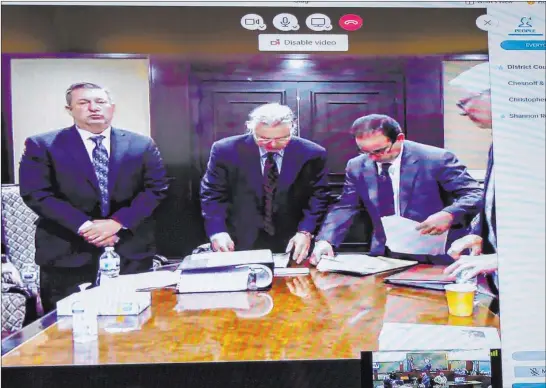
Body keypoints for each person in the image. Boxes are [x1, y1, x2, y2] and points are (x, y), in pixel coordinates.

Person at [19, 82, 169, 313]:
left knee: (136, 326)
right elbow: (37, 193)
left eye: (100, 102)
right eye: (83, 103)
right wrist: (86, 227)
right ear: (69, 110)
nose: (94, 108)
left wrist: (117, 224)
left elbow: (156, 189)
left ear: (112, 108)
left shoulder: (141, 144)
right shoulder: (42, 145)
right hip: (67, 253)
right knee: (66, 330)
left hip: (130, 250)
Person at [308, 114, 483, 265]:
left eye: (379, 151)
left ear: (399, 139)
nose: (373, 158)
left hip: (434, 253)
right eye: (365, 152)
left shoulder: (436, 159)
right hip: (385, 254)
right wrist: (326, 240)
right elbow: (346, 206)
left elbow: (474, 194)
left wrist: (449, 213)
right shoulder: (357, 166)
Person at [200, 103, 330, 262]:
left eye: (282, 138)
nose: (273, 145)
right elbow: (212, 194)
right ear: (251, 129)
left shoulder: (312, 153)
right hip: (237, 239)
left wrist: (306, 231)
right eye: (264, 138)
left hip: (293, 241)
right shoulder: (225, 150)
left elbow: (319, 196)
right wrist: (217, 231)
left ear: (292, 129)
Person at [443, 62, 498, 291]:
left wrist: (503, 260)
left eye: (464, 101)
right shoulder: (499, 144)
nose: (462, 111)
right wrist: (479, 236)